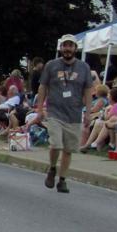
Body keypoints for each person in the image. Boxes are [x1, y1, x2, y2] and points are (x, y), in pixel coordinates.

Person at [35, 34, 92, 194]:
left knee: (68, 149)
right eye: (65, 45)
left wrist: (88, 111)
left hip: (74, 114)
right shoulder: (51, 65)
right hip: (54, 112)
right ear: (60, 48)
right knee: (56, 144)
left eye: (71, 46)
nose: (67, 49)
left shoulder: (83, 67)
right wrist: (40, 108)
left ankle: (62, 179)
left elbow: (88, 89)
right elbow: (43, 87)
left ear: (75, 48)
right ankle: (52, 168)